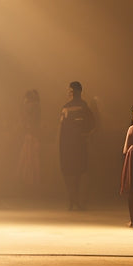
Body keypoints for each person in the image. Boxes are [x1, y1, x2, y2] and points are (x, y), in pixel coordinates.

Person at [58, 81, 95, 210]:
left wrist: (85, 134)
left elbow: (91, 124)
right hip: (71, 144)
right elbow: (62, 127)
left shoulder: (82, 107)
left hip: (74, 144)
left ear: (77, 92)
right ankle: (73, 199)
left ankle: (74, 199)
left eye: (71, 91)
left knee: (75, 172)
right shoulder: (70, 107)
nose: (70, 93)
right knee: (73, 172)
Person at [16, 89, 41, 192]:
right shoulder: (35, 107)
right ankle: (31, 184)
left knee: (28, 159)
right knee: (31, 159)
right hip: (32, 135)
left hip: (30, 136)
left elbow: (28, 121)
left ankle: (28, 184)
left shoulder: (31, 107)